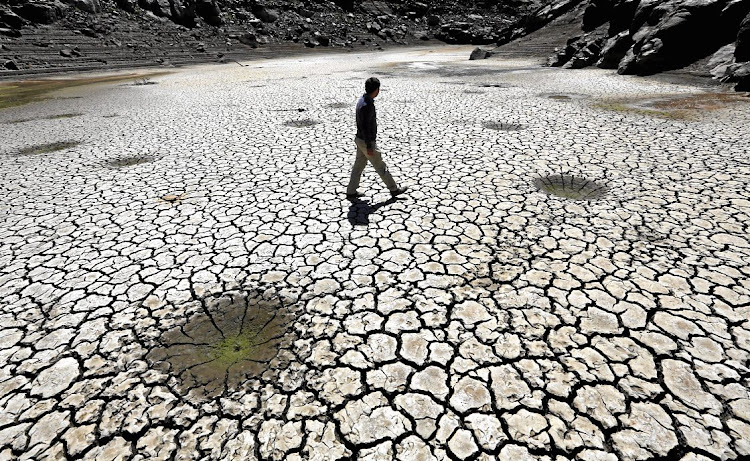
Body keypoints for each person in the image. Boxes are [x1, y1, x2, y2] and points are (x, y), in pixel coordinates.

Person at [346, 77, 408, 199]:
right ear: (376, 90)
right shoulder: (367, 105)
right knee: (380, 166)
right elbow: (366, 127)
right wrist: (369, 145)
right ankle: (394, 189)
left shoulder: (362, 100)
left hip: (359, 139)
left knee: (358, 166)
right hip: (366, 141)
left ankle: (351, 191)